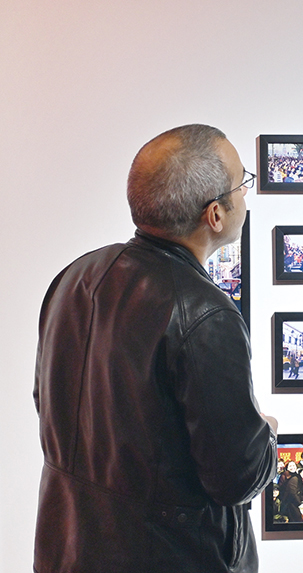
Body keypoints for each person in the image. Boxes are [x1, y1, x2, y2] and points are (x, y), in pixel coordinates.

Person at [33, 124, 278, 572]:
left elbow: (50, 404)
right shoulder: (206, 313)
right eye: (242, 183)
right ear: (215, 215)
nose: (246, 194)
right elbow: (236, 476)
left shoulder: (75, 275)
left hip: (67, 547)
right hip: (169, 556)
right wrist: (267, 433)